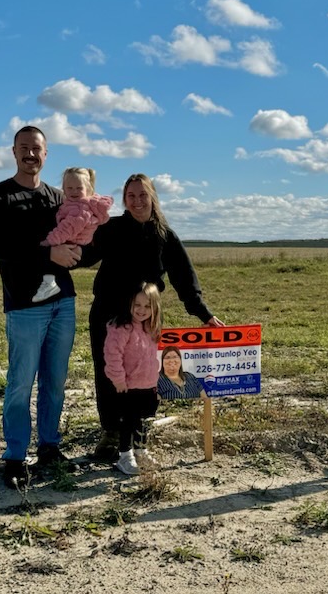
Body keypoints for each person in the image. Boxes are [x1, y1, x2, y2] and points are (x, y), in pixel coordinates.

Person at [82, 173, 223, 460]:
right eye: (131, 196)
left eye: (142, 195)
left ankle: (137, 433)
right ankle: (110, 432)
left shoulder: (164, 236)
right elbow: (84, 255)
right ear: (124, 199)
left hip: (146, 318)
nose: (137, 201)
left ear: (152, 197)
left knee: (143, 373)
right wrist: (75, 229)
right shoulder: (110, 228)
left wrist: (203, 314)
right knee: (109, 371)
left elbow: (184, 278)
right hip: (108, 312)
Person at [0, 125, 80, 487]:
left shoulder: (59, 197)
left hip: (63, 303)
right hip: (24, 306)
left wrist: (80, 250)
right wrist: (48, 253)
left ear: (46, 154)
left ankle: (50, 447)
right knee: (21, 383)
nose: (30, 154)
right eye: (24, 147)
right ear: (13, 151)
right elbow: (0, 248)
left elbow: (77, 237)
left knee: (55, 381)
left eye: (36, 148)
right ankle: (15, 456)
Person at [103, 282, 162, 476]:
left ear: (155, 308)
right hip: (127, 387)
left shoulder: (151, 328)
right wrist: (118, 379)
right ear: (129, 303)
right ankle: (124, 455)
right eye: (137, 305)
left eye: (147, 306)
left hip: (148, 385)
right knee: (127, 422)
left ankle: (140, 451)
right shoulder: (122, 327)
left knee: (143, 421)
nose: (141, 310)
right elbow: (112, 355)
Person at [32, 167, 113, 303]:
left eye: (79, 188)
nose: (74, 191)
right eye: (69, 188)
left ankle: (49, 284)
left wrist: (49, 242)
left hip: (73, 239)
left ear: (88, 189)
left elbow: (67, 229)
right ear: (63, 188)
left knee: (50, 259)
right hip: (75, 238)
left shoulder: (79, 209)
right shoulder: (75, 204)